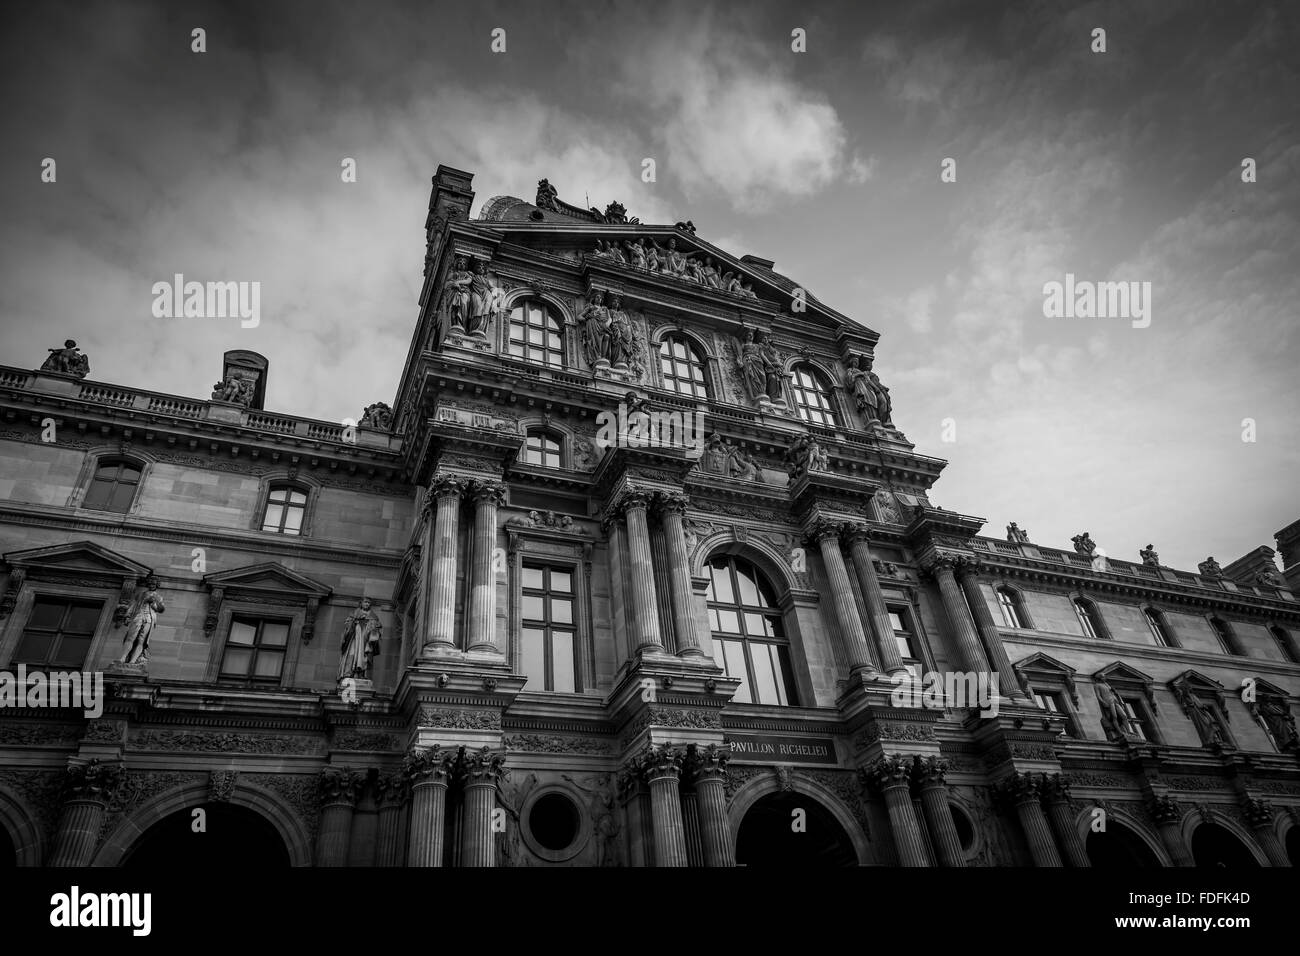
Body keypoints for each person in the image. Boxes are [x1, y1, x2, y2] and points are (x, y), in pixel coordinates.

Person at [120, 578, 164, 665]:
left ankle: (133, 661)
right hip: (138, 615)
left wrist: (154, 603)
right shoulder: (141, 594)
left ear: (156, 586)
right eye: (150, 584)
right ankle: (123, 657)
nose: (152, 586)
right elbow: (133, 605)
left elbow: (161, 609)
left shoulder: (158, 597)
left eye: (154, 584)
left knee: (141, 640)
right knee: (131, 637)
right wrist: (128, 615)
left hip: (149, 618)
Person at [339, 597, 382, 681]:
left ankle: (362, 673)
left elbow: (378, 628)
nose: (367, 604)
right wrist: (355, 621)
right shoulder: (354, 613)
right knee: (352, 654)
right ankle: (349, 672)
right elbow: (347, 625)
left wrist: (372, 626)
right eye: (365, 602)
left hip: (366, 641)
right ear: (361, 603)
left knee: (364, 656)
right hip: (354, 640)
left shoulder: (373, 616)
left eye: (369, 603)